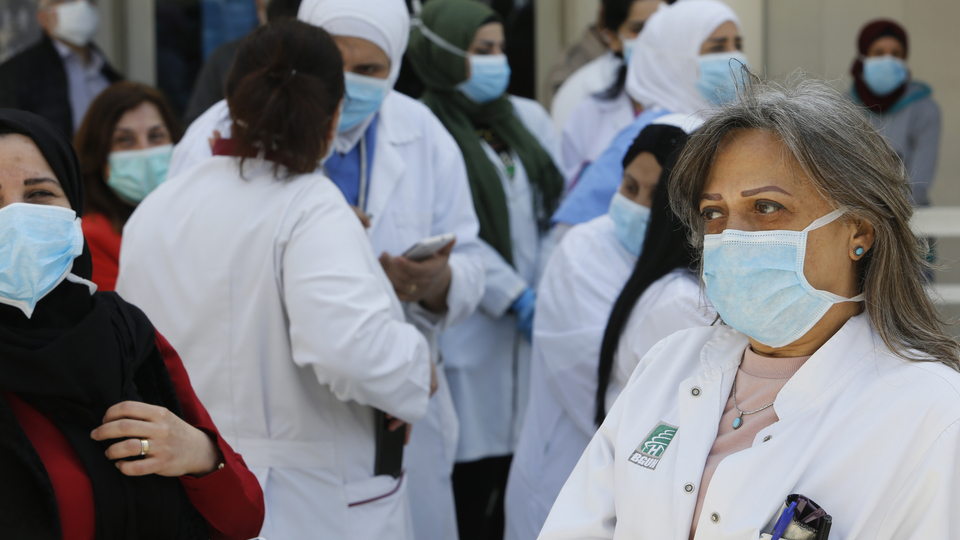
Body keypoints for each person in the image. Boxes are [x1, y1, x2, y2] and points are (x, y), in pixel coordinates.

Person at [539, 74, 960, 540]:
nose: (732, 237)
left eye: (765, 207)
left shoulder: (933, 415)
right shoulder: (667, 366)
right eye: (714, 213)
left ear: (859, 230)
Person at [170, 1, 487, 537]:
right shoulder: (214, 136)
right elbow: (194, 263)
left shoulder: (424, 134)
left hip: (394, 420)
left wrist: (438, 284)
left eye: (371, 70)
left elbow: (472, 259)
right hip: (269, 410)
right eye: (337, 62)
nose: (350, 84)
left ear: (396, 68)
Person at [116, 20, 436, 539]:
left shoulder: (158, 208)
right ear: (334, 118)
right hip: (303, 504)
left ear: (230, 100)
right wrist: (416, 366)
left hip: (196, 491)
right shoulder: (309, 206)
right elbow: (349, 349)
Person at [0, 109, 263, 539]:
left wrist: (198, 453)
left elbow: (244, 515)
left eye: (40, 195)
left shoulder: (124, 333)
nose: (14, 218)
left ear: (74, 209)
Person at [504, 114, 710, 540]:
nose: (636, 205)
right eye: (628, 187)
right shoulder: (586, 252)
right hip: (567, 471)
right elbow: (604, 397)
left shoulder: (690, 271)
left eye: (655, 196)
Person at [406, 1, 565, 538]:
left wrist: (543, 286)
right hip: (469, 332)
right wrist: (515, 293)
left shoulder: (528, 117)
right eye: (482, 51)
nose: (498, 61)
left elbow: (555, 212)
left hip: (535, 332)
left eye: (500, 48)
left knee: (526, 482)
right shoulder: (421, 128)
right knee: (468, 485)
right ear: (444, 56)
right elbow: (448, 231)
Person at [551, 0, 746, 231]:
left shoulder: (735, 125)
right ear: (678, 55)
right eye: (717, 48)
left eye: (738, 45)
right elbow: (575, 229)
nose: (734, 59)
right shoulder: (657, 131)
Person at [73, 81, 182, 291]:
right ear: (99, 154)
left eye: (156, 136)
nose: (144, 151)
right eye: (125, 140)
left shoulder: (188, 218)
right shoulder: (92, 236)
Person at [850, 19, 941, 207]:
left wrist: (890, 217)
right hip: (855, 219)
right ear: (863, 56)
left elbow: (920, 182)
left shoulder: (924, 109)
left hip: (910, 219)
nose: (887, 61)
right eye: (878, 53)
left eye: (896, 54)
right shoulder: (842, 109)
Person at [0, 0, 122, 138]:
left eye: (90, 1)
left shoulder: (107, 72)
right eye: (68, 1)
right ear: (43, 18)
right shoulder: (14, 74)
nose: (82, 6)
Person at [550, 0, 662, 135]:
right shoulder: (579, 92)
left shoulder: (690, 85)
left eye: (660, 26)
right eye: (638, 29)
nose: (652, 36)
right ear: (612, 37)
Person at [183, 0, 303, 126]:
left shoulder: (313, 56)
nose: (283, 21)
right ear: (258, 6)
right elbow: (196, 123)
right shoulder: (226, 56)